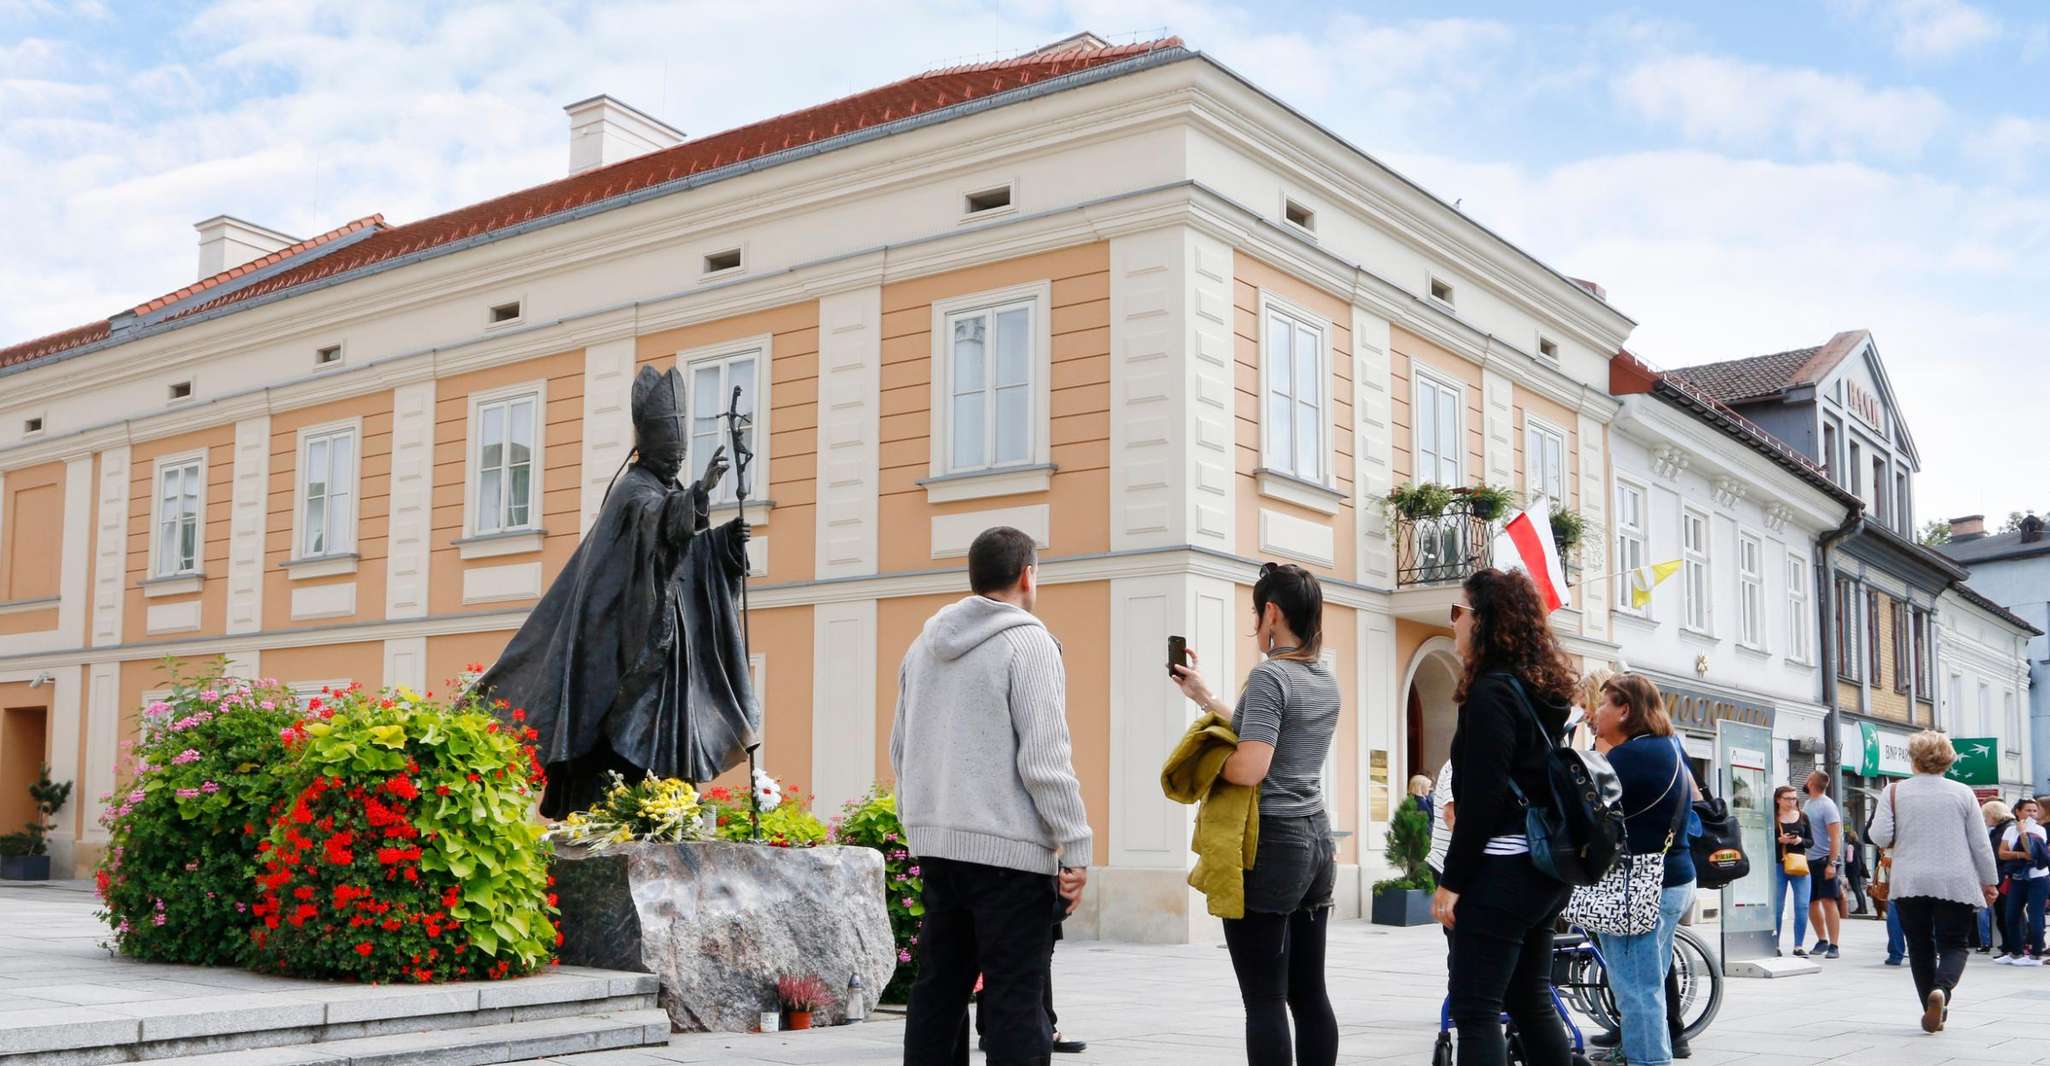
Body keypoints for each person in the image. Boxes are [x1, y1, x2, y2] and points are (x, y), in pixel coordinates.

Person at [892, 526, 1091, 1066]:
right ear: (1028, 574)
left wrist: (920, 825)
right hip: (1009, 854)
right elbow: (1045, 759)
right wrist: (1076, 847)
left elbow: (901, 748)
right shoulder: (1029, 642)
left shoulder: (923, 644)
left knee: (938, 992)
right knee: (1014, 1003)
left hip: (939, 845)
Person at [1170, 561, 1340, 1066]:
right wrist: (1205, 697)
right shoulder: (1325, 679)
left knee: (1263, 998)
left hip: (1271, 843)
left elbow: (1250, 765)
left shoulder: (1270, 675)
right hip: (1316, 842)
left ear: (1271, 612)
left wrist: (1202, 762)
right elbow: (1268, 734)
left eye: (1255, 612)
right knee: (1309, 993)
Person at [1431, 568, 1582, 1066]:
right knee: (1529, 1002)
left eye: (1459, 612)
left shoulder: (1492, 693)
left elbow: (1483, 800)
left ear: (1486, 622)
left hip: (1503, 871)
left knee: (1476, 1010)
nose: (1452, 622)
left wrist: (1452, 882)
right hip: (1542, 873)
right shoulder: (1535, 690)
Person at [1583, 674, 1696, 1066]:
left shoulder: (1629, 756)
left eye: (1603, 705)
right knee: (1647, 984)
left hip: (1642, 886)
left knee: (1635, 989)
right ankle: (1644, 1054)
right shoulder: (1667, 747)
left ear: (1625, 709)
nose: (1596, 713)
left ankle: (1649, 1061)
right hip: (1673, 877)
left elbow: (1583, 813)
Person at [1868, 731, 1999, 1034]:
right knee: (1955, 943)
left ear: (1913, 758)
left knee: (1919, 945)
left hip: (1910, 879)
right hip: (1955, 880)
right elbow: (1980, 843)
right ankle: (1942, 990)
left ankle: (1931, 1007)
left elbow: (1881, 836)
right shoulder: (1963, 792)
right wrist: (1989, 881)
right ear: (1948, 759)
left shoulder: (1894, 792)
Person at [1994, 797, 2049, 966]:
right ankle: (2015, 952)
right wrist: (2019, 855)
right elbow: (2001, 853)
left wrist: (2023, 833)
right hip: (2017, 878)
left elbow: (2032, 853)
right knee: (2010, 915)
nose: (2032, 813)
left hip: (2037, 879)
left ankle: (2035, 955)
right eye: (2028, 810)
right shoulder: (2010, 831)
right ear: (2018, 812)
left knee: (2035, 916)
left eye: (2034, 810)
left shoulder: (2039, 830)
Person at [1803, 770, 1845, 959]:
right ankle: (1822, 940)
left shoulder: (1827, 806)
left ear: (1812, 782)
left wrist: (1832, 863)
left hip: (1824, 860)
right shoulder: (1808, 803)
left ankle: (1834, 944)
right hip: (1808, 861)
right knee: (1811, 902)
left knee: (1828, 901)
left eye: (1808, 777)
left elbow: (1836, 836)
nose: (1805, 779)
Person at [1770, 785, 1815, 957]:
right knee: (1778, 906)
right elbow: (1765, 842)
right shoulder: (1773, 818)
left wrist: (1799, 841)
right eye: (1788, 798)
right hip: (1778, 864)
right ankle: (1775, 944)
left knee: (1802, 905)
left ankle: (1798, 945)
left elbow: (1811, 842)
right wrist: (1779, 840)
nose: (1792, 802)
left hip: (1799, 865)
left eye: (1794, 798)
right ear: (1778, 799)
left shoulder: (1803, 817)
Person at [1978, 800, 2014, 956]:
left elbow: (1995, 856)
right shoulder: (2004, 828)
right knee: (2003, 914)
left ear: (1993, 815)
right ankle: (2008, 947)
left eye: (1986, 817)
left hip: (2003, 877)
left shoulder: (2004, 830)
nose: (1985, 821)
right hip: (2003, 875)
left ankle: (2010, 947)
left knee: (2005, 914)